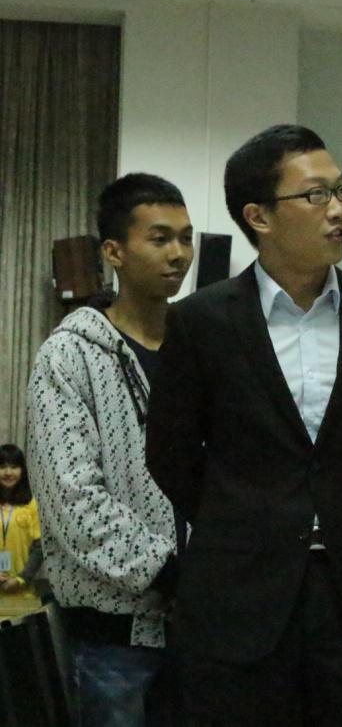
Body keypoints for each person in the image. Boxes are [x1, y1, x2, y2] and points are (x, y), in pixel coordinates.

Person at [145, 124, 342, 726]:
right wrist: (243, 516)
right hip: (239, 597)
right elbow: (169, 452)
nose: (339, 210)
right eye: (316, 195)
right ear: (259, 217)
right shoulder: (200, 322)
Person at [26, 173, 190, 726]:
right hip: (110, 641)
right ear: (114, 252)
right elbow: (71, 499)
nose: (178, 254)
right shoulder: (69, 356)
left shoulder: (201, 347)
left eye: (185, 238)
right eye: (160, 238)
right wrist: (168, 571)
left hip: (205, 629)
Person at [0, 443, 42, 619]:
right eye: (2, 466)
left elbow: (39, 549)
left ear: (22, 470)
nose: (8, 472)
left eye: (14, 466)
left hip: (22, 594)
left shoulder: (31, 504)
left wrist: (21, 579)